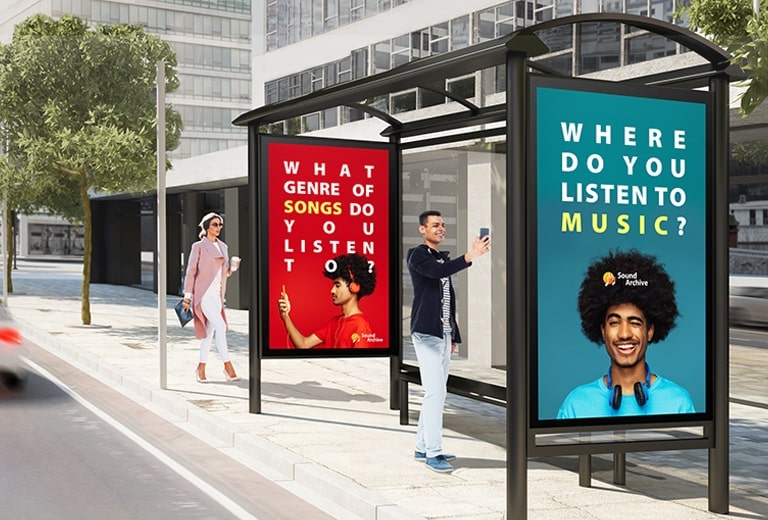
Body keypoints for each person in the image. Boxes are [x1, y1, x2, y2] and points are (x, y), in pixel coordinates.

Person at [557, 249, 695, 419]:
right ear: (603, 331)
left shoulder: (678, 403)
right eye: (614, 323)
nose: (624, 334)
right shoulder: (576, 405)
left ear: (650, 331)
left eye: (635, 322)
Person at [407, 210, 490, 473]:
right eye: (435, 225)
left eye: (443, 224)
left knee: (435, 392)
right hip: (426, 335)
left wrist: (452, 334)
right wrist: (470, 256)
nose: (441, 228)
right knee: (436, 393)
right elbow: (435, 273)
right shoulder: (417, 255)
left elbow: (447, 302)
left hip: (442, 335)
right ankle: (434, 453)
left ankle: (422, 447)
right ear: (423, 229)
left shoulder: (441, 259)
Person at [182, 212, 241, 383]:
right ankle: (228, 367)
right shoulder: (199, 246)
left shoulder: (223, 247)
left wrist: (232, 269)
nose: (218, 228)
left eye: (220, 225)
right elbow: (191, 271)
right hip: (203, 294)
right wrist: (188, 296)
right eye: (215, 224)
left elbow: (224, 273)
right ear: (207, 226)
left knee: (210, 332)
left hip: (217, 295)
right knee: (221, 326)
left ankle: (201, 367)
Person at [277, 253, 376, 348]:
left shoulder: (360, 326)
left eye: (337, 285)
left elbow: (361, 362)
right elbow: (303, 345)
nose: (332, 290)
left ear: (354, 287)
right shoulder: (334, 323)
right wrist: (285, 316)